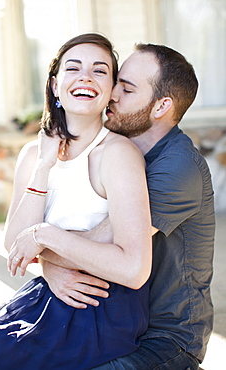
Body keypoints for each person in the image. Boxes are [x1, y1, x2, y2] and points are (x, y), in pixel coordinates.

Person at [0, 34, 152, 369]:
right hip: (49, 296)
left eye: (99, 71)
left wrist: (46, 237)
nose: (86, 76)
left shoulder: (118, 155)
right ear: (56, 86)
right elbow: (15, 244)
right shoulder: (33, 154)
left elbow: (134, 269)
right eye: (74, 68)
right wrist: (44, 166)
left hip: (98, 310)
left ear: (112, 90)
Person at [39, 44, 215, 369]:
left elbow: (95, 245)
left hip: (165, 340)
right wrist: (48, 263)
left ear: (162, 105)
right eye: (116, 81)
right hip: (111, 322)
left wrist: (37, 243)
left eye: (127, 88)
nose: (112, 93)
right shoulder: (118, 152)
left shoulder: (178, 168)